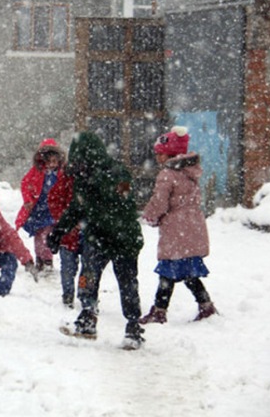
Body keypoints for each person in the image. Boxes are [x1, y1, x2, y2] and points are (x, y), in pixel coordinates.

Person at [47, 132, 145, 350]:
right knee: (87, 276)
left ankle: (133, 326)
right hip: (97, 237)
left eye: (83, 161)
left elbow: (124, 204)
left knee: (127, 282)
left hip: (124, 239)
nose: (79, 167)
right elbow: (76, 208)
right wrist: (58, 232)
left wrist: (97, 183)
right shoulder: (82, 179)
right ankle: (87, 317)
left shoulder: (118, 174)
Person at [139, 126, 218, 324]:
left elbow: (160, 201)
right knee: (189, 271)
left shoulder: (167, 174)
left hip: (176, 228)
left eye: (160, 153)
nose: (157, 157)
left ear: (169, 154)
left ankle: (159, 310)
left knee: (168, 270)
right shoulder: (190, 172)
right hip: (193, 225)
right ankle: (206, 305)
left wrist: (150, 216)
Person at [15, 138, 65, 280]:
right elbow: (25, 183)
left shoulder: (61, 174)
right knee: (39, 235)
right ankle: (40, 258)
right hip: (38, 209)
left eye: (54, 162)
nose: (51, 165)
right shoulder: (36, 172)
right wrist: (28, 200)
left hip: (52, 210)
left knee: (47, 234)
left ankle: (47, 259)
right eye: (48, 161)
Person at [47, 166, 83, 308]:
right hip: (68, 234)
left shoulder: (70, 180)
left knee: (84, 269)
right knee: (70, 268)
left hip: (77, 233)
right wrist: (65, 220)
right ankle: (69, 293)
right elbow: (54, 201)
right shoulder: (66, 181)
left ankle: (84, 293)